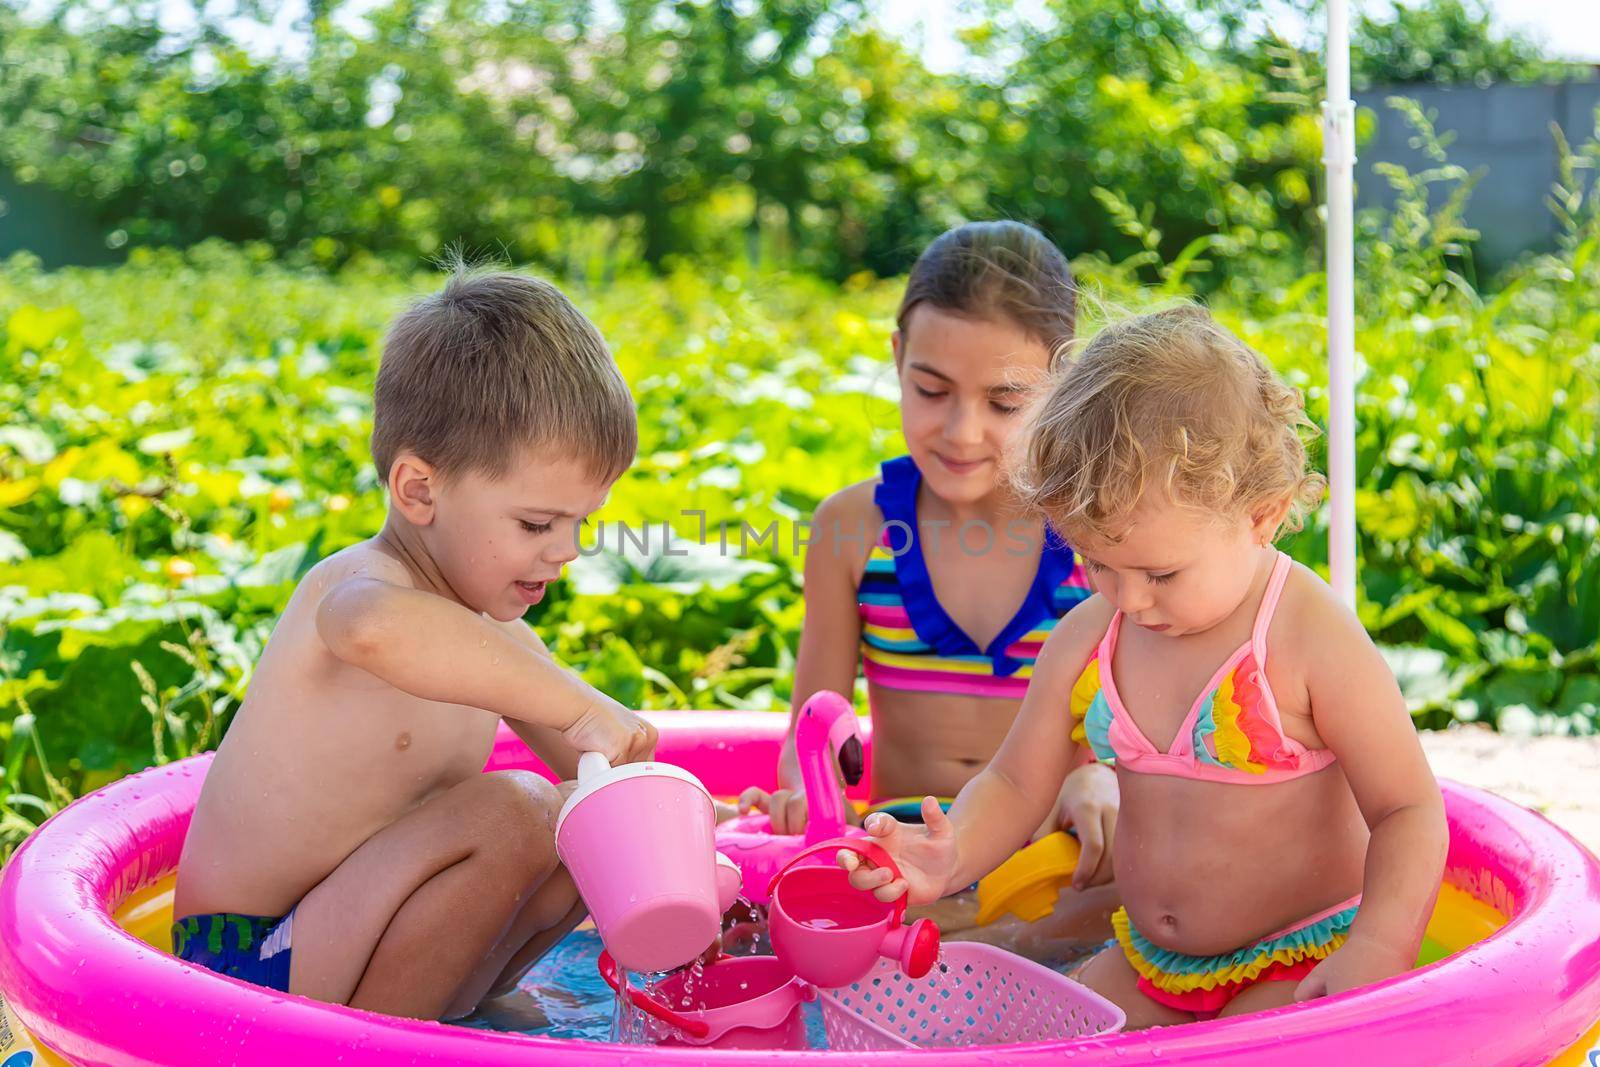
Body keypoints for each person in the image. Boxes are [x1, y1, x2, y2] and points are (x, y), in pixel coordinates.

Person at [838, 304, 1447, 1027]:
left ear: (1262, 514)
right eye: (1097, 562)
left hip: (1302, 952)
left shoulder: (1305, 635)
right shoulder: (1090, 636)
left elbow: (1408, 808)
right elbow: (1014, 780)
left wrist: (1378, 945)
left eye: (1159, 573)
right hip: (1153, 958)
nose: (1128, 597)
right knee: (1036, 1037)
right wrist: (951, 854)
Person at [173, 266, 656, 1020]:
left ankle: (453, 1017)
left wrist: (721, 829)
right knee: (514, 810)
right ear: (420, 490)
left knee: (582, 828)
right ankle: (383, 1046)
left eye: (580, 522)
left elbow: (614, 781)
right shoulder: (364, 587)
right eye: (536, 524)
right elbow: (369, 627)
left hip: (354, 943)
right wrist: (576, 701)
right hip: (242, 961)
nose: (566, 551)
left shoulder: (494, 636)